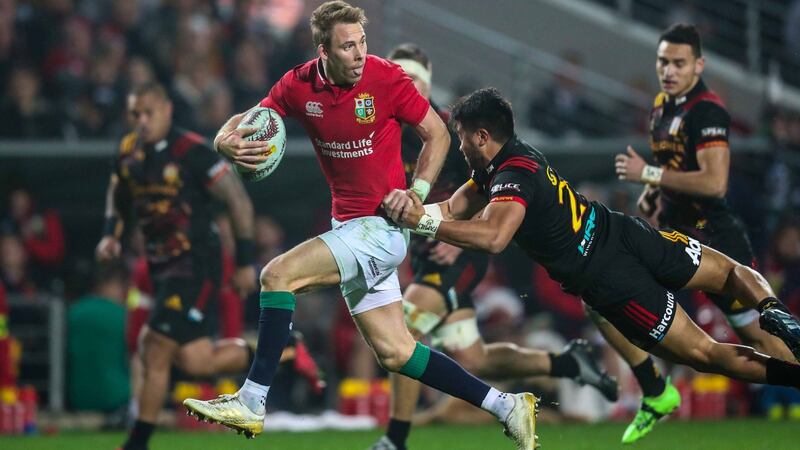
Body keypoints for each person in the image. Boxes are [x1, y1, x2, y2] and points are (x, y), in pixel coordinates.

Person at [182, 3, 538, 449]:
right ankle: (506, 406)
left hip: (381, 229)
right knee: (397, 352)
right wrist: (223, 140)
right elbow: (252, 119)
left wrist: (418, 191)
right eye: (348, 45)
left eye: (362, 42)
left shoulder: (386, 78)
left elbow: (439, 133)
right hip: (349, 226)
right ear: (323, 50)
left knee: (277, 275)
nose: (358, 53)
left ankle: (252, 400)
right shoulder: (297, 84)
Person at [383, 87, 800, 448]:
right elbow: (453, 208)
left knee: (707, 354)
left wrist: (421, 222)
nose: (458, 148)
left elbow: (494, 237)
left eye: (460, 138)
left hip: (612, 281)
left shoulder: (511, 175)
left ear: (481, 136)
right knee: (729, 270)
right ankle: (773, 309)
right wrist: (409, 209)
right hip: (625, 232)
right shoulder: (513, 158)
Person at [369, 43, 617, 450]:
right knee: (475, 358)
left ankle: (396, 439)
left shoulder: (448, 129)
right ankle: (568, 362)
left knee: (405, 328)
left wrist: (461, 240)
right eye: (397, 78)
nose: (403, 87)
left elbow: (485, 185)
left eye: (411, 79)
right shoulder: (388, 130)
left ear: (427, 85)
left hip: (455, 253)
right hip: (428, 250)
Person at [611, 23, 797, 444]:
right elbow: (676, 173)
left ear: (699, 64)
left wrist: (649, 173)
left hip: (716, 241)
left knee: (764, 337)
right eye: (663, 61)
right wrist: (654, 195)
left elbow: (714, 182)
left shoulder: (707, 110)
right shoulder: (661, 106)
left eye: (679, 63)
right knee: (602, 293)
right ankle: (655, 390)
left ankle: (658, 390)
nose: (669, 70)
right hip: (678, 236)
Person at [96, 81, 259, 450]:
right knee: (195, 360)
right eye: (135, 114)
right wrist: (111, 233)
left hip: (197, 263)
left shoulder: (193, 152)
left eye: (148, 113)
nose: (142, 121)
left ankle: (136, 442)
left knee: (152, 345)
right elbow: (117, 193)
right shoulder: (127, 153)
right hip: (162, 267)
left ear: (168, 110)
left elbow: (238, 200)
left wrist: (246, 262)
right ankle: (281, 350)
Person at [67, 262, 130, 413]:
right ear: (115, 284)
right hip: (118, 397)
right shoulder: (124, 316)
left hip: (78, 397)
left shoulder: (74, 312)